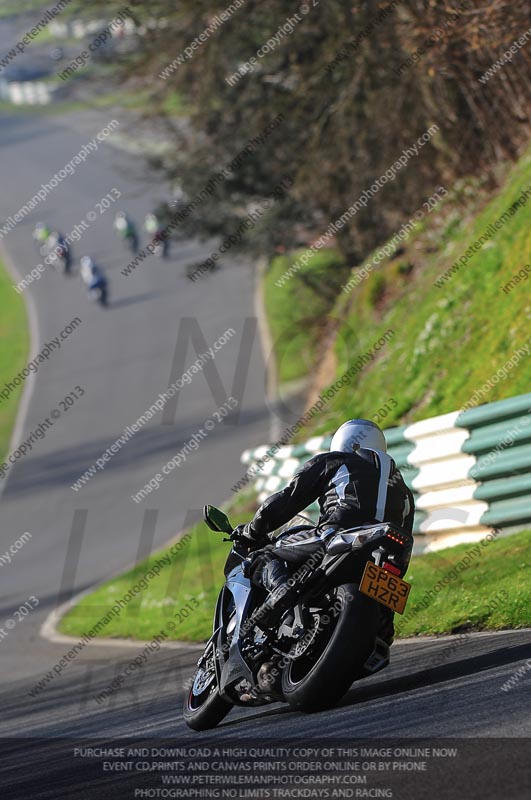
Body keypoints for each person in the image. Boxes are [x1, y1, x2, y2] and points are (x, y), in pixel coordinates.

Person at [236, 418, 415, 640]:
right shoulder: (403, 490)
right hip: (386, 549)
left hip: (337, 534)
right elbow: (406, 533)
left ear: (343, 442)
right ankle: (382, 630)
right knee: (385, 617)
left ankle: (281, 591)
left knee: (263, 555)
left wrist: (253, 530)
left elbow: (288, 498)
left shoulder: (335, 461)